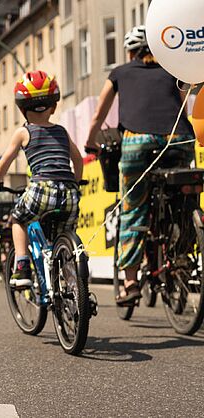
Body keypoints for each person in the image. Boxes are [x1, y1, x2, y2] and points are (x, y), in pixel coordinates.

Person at [86, 26, 195, 305]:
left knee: (134, 210)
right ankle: (181, 252)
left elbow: (99, 113)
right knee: (182, 199)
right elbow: (185, 104)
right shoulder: (173, 70)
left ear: (131, 51)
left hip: (138, 142)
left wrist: (90, 142)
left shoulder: (120, 72)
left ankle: (131, 282)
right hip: (179, 140)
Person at [0, 70, 82, 289]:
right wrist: (76, 183)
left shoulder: (24, 133)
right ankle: (75, 289)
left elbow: (1, 166)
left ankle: (22, 266)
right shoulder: (62, 131)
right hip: (70, 194)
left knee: (18, 218)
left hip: (41, 190)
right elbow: (78, 160)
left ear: (22, 109)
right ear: (53, 107)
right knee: (65, 236)